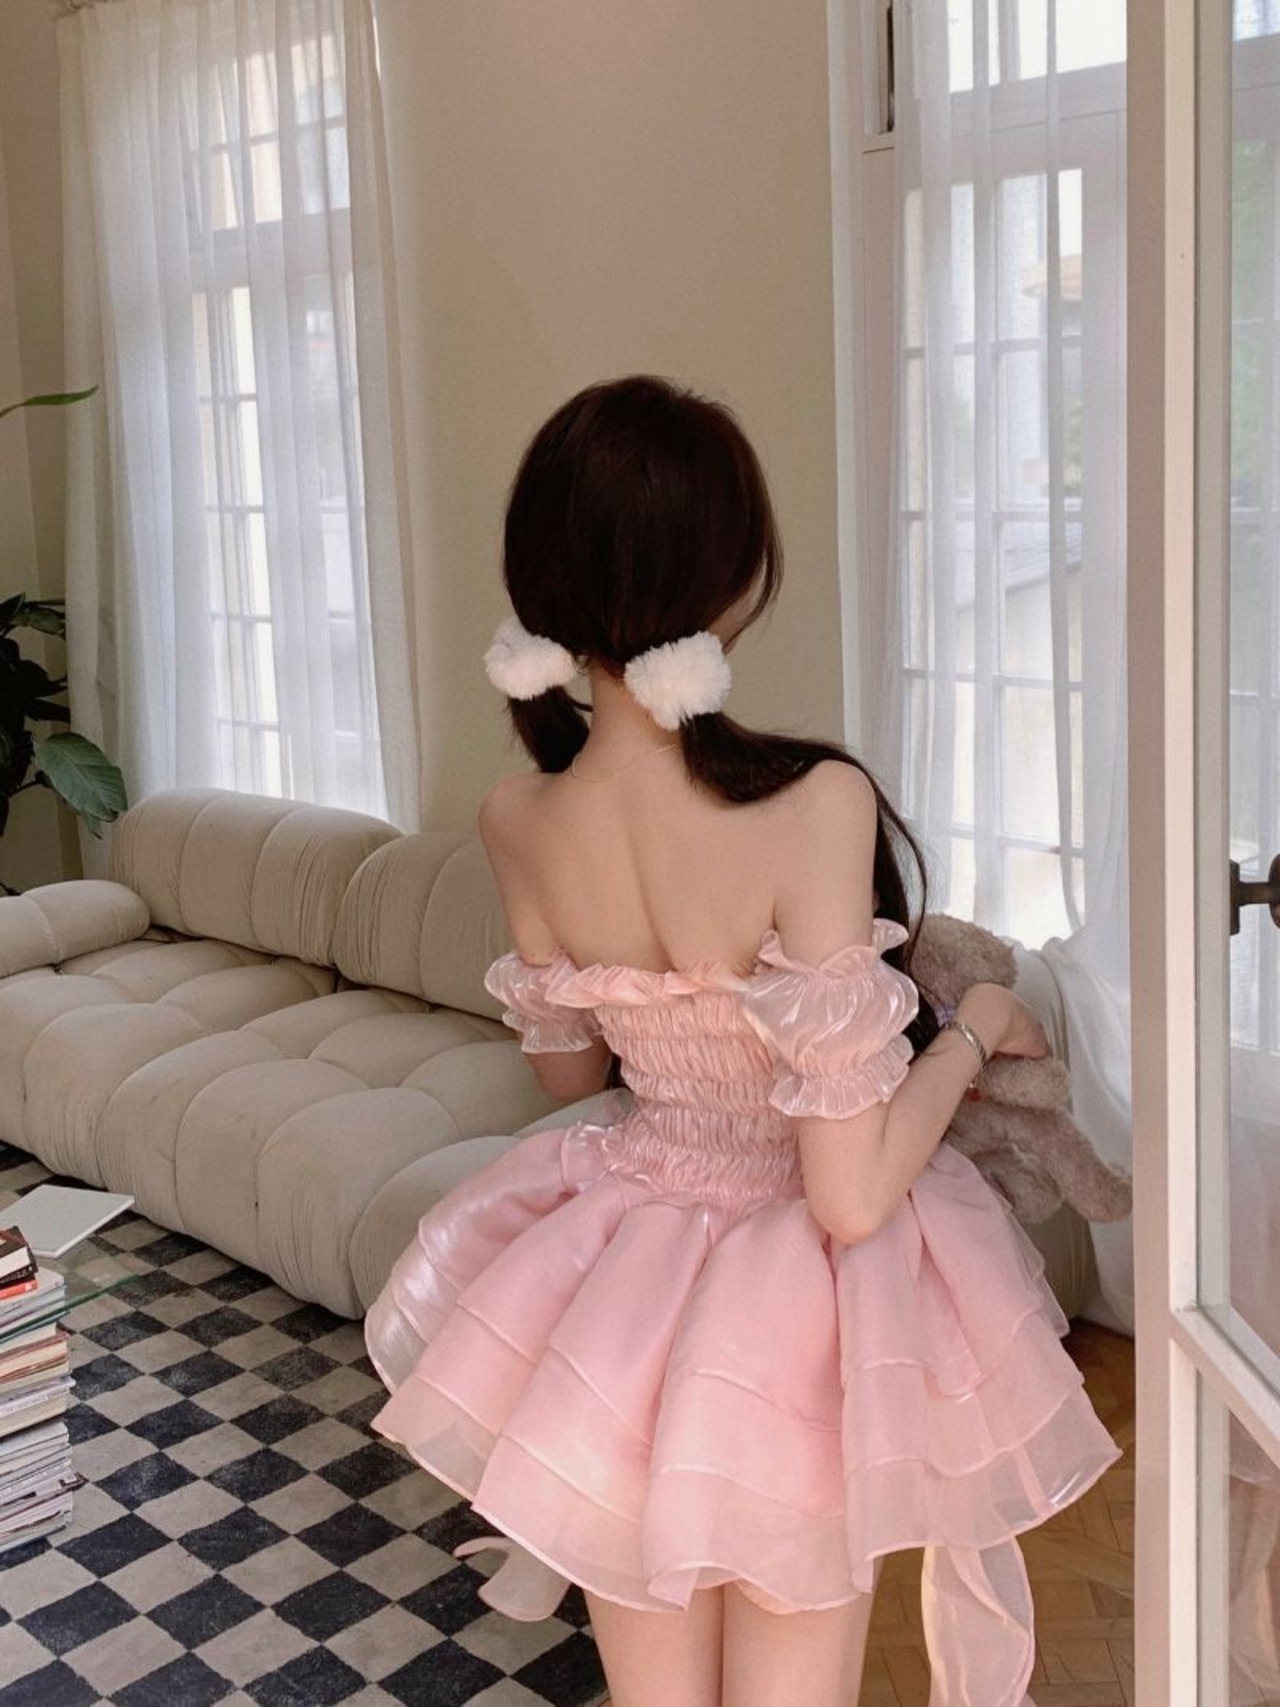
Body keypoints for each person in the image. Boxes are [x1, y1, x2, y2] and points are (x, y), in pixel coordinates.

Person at [363, 375, 1121, 1707]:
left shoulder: (517, 817)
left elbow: (566, 1075)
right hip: (800, 1314)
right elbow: (848, 1194)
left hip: (627, 1281)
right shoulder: (814, 802)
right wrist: (972, 1035)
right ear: (732, 576)